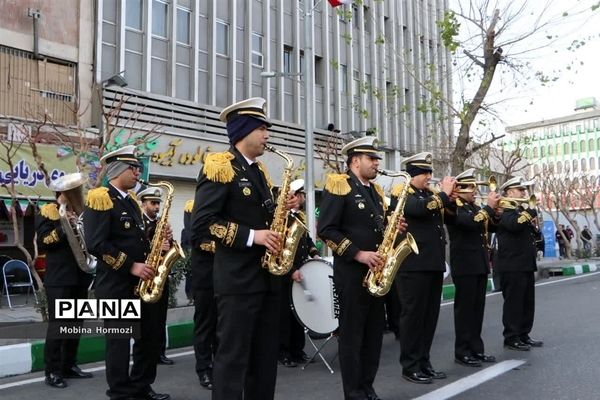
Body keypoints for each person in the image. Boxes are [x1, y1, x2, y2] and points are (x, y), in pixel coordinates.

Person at [192, 97, 299, 400]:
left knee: (264, 360)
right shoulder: (219, 166)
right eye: (262, 129)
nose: (267, 135)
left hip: (267, 280)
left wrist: (284, 207)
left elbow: (262, 216)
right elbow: (204, 223)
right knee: (233, 358)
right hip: (238, 282)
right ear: (243, 130)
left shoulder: (260, 171)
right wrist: (255, 237)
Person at [318, 136, 404, 400]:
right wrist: (358, 254)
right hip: (353, 275)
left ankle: (368, 387)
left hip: (376, 275)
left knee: (373, 336)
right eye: (372, 158)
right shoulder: (339, 185)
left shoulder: (375, 191)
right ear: (355, 160)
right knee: (353, 337)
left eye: (377, 158)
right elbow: (326, 230)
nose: (377, 162)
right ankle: (353, 392)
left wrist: (394, 228)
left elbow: (377, 228)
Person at [84, 145, 171, 400]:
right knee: (119, 344)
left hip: (141, 284)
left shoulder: (132, 202)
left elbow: (136, 239)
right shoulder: (101, 198)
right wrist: (131, 266)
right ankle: (120, 393)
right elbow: (97, 244)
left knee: (148, 337)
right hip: (116, 285)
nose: (138, 172)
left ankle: (141, 386)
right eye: (133, 168)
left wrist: (158, 239)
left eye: (138, 167)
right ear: (119, 169)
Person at [392, 152, 455, 384]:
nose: (429, 176)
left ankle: (424, 362)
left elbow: (447, 215)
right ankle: (410, 366)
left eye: (429, 172)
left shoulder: (427, 194)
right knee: (413, 317)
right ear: (413, 175)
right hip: (412, 266)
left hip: (431, 263)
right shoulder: (402, 192)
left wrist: (450, 198)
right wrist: (443, 194)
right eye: (425, 173)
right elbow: (419, 209)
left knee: (429, 317)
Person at [36, 173, 94, 389]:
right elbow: (44, 241)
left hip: (81, 274)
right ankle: (52, 371)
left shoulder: (82, 212)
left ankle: (69, 365)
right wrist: (63, 225)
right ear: (62, 192)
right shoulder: (49, 211)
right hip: (59, 278)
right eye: (73, 190)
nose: (78, 194)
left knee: (76, 324)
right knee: (59, 325)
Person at [445, 168, 499, 368]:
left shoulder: (474, 207)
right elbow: (469, 224)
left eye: (475, 187)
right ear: (459, 190)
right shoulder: (455, 207)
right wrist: (489, 209)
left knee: (477, 310)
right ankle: (463, 351)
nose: (474, 191)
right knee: (465, 311)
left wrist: (496, 213)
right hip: (465, 265)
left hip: (479, 263)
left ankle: (477, 349)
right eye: (470, 188)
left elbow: (490, 226)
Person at [494, 176, 543, 351]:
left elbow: (532, 233)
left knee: (527, 302)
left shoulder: (518, 211)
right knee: (514, 303)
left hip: (524, 264)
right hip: (512, 265)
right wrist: (530, 212)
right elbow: (514, 225)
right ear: (509, 192)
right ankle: (511, 337)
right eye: (520, 190)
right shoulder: (504, 212)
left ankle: (523, 334)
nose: (523, 193)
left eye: (523, 190)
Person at [278, 179, 320, 368]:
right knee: (285, 314)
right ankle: (284, 352)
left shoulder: (299, 216)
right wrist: (292, 270)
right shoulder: (282, 217)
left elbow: (307, 240)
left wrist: (314, 253)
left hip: (302, 270)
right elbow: (279, 247)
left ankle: (298, 350)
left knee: (299, 314)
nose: (302, 198)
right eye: (301, 195)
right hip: (287, 271)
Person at [138, 187, 174, 366]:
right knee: (148, 320)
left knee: (160, 317)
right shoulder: (140, 223)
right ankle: (147, 354)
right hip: (146, 276)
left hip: (161, 274)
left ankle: (160, 352)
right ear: (143, 204)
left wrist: (169, 242)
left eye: (158, 203)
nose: (157, 207)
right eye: (153, 203)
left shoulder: (162, 223)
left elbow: (172, 246)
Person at [188, 198, 217, 390]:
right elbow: (195, 238)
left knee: (223, 326)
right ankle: (204, 369)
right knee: (205, 326)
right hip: (205, 278)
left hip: (225, 278)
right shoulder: (196, 208)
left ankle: (221, 366)